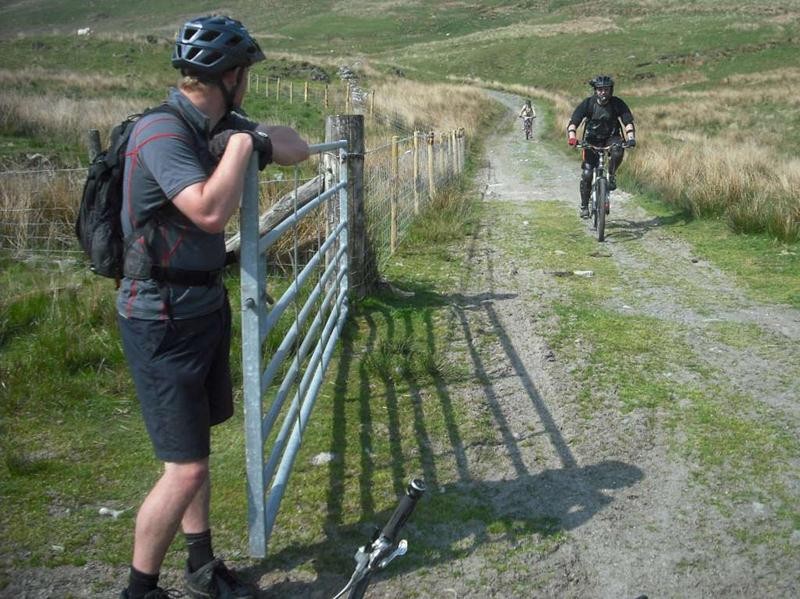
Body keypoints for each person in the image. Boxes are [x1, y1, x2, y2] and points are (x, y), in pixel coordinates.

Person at [116, 15, 309, 599]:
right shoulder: (161, 132)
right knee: (187, 469)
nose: (247, 83)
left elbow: (298, 146)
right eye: (245, 73)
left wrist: (253, 137)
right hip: (160, 316)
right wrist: (244, 146)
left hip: (199, 305)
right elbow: (207, 210)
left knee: (195, 450)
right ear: (231, 76)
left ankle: (201, 565)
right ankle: (138, 591)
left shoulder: (220, 125)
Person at [566, 75, 636, 218]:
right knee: (587, 174)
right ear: (595, 90)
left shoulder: (617, 103)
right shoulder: (588, 104)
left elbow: (628, 121)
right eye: (600, 89)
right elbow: (574, 122)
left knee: (618, 149)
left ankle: (611, 175)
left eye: (606, 89)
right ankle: (584, 206)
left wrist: (631, 138)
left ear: (611, 90)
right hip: (591, 140)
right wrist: (572, 138)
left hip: (612, 137)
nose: (603, 92)